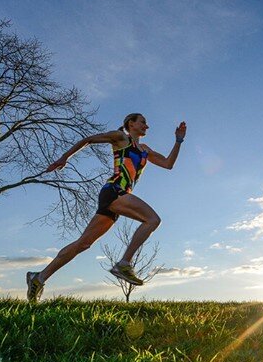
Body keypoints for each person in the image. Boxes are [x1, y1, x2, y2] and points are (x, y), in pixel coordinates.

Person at [26, 114, 187, 302]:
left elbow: (168, 164)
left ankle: (38, 278)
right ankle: (124, 263)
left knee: (83, 243)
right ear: (131, 124)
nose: (147, 126)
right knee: (152, 219)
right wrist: (64, 158)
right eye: (143, 122)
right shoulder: (120, 138)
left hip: (119, 197)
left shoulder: (144, 149)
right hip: (114, 191)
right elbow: (88, 140)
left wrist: (178, 141)